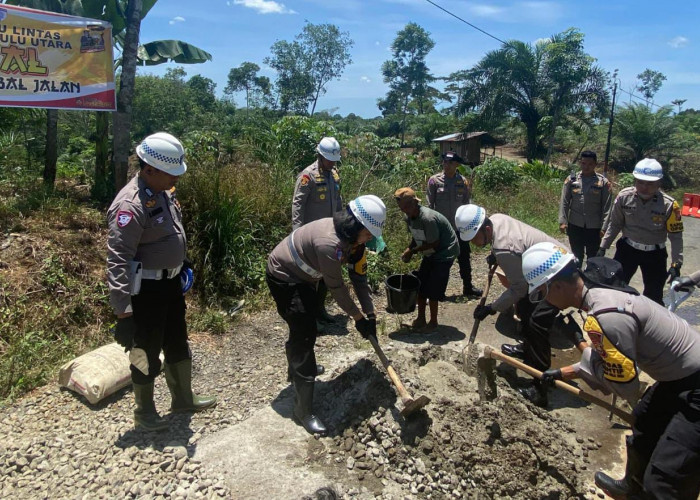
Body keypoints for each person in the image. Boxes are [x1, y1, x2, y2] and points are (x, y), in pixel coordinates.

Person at [522, 241, 700, 500]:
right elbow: (608, 356)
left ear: (557, 286)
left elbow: (625, 386)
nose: (544, 300)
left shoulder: (605, 316)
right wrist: (563, 372)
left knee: (666, 480)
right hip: (677, 375)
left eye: (542, 293)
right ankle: (632, 487)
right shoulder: (598, 288)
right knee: (645, 419)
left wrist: (581, 349)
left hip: (694, 385)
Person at [108, 132, 216, 432]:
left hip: (170, 285)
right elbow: (118, 260)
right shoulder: (130, 205)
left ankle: (182, 397)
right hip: (146, 291)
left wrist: (183, 263)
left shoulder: (163, 192)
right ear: (149, 169)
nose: (176, 179)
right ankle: (144, 412)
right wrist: (123, 314)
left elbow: (171, 232)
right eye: (171, 173)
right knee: (145, 350)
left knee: (177, 341)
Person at [267, 195, 386, 436]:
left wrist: (370, 314)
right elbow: (337, 288)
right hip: (285, 276)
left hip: (308, 275)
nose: (371, 239)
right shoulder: (329, 244)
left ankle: (298, 369)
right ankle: (303, 410)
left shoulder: (356, 242)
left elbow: (359, 280)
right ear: (357, 227)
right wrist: (358, 318)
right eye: (369, 234)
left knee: (306, 325)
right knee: (304, 332)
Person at [455, 205, 580, 407]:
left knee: (536, 322)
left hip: (557, 275)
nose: (474, 244)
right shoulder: (496, 219)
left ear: (486, 230)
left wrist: (492, 308)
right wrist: (495, 254)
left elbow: (519, 287)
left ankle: (540, 386)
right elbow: (518, 251)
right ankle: (527, 349)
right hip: (542, 269)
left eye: (474, 238)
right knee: (523, 309)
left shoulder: (505, 248)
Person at [598, 158, 684, 305]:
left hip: (654, 254)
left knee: (654, 296)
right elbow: (615, 224)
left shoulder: (669, 205)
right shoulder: (624, 198)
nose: (644, 187)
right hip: (628, 250)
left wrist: (676, 263)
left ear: (659, 183)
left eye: (650, 184)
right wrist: (603, 247)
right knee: (616, 288)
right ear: (635, 180)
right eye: (640, 182)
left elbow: (675, 236)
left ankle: (648, 325)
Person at [291, 137, 344, 325]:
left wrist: (341, 227)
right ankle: (310, 317)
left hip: (329, 235)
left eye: (334, 160)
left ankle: (321, 310)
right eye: (329, 159)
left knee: (325, 276)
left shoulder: (334, 175)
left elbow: (338, 203)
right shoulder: (308, 176)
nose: (331, 163)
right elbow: (298, 206)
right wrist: (296, 235)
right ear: (320, 156)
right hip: (310, 237)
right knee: (309, 278)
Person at [395, 187, 459, 331]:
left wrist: (413, 251)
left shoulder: (428, 218)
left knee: (434, 289)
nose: (404, 210)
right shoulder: (409, 218)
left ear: (414, 204)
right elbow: (416, 236)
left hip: (444, 252)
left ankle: (433, 322)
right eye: (402, 208)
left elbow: (434, 243)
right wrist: (409, 249)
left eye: (407, 207)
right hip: (429, 251)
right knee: (422, 285)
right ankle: (421, 318)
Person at [427, 151, 482, 298]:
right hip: (442, 230)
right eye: (445, 162)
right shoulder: (434, 181)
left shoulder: (463, 182)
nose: (446, 165)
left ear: (457, 164)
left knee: (464, 258)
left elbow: (466, 205)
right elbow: (429, 207)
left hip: (460, 228)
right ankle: (438, 291)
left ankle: (468, 287)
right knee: (442, 261)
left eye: (450, 163)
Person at [558, 151, 612, 267]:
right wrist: (563, 221)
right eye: (583, 163)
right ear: (580, 163)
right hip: (575, 224)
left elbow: (606, 207)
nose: (586, 167)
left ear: (595, 164)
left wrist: (604, 227)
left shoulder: (603, 182)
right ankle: (577, 278)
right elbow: (564, 201)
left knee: (593, 256)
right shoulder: (572, 180)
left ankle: (591, 280)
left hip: (594, 227)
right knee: (576, 255)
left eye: (590, 164)